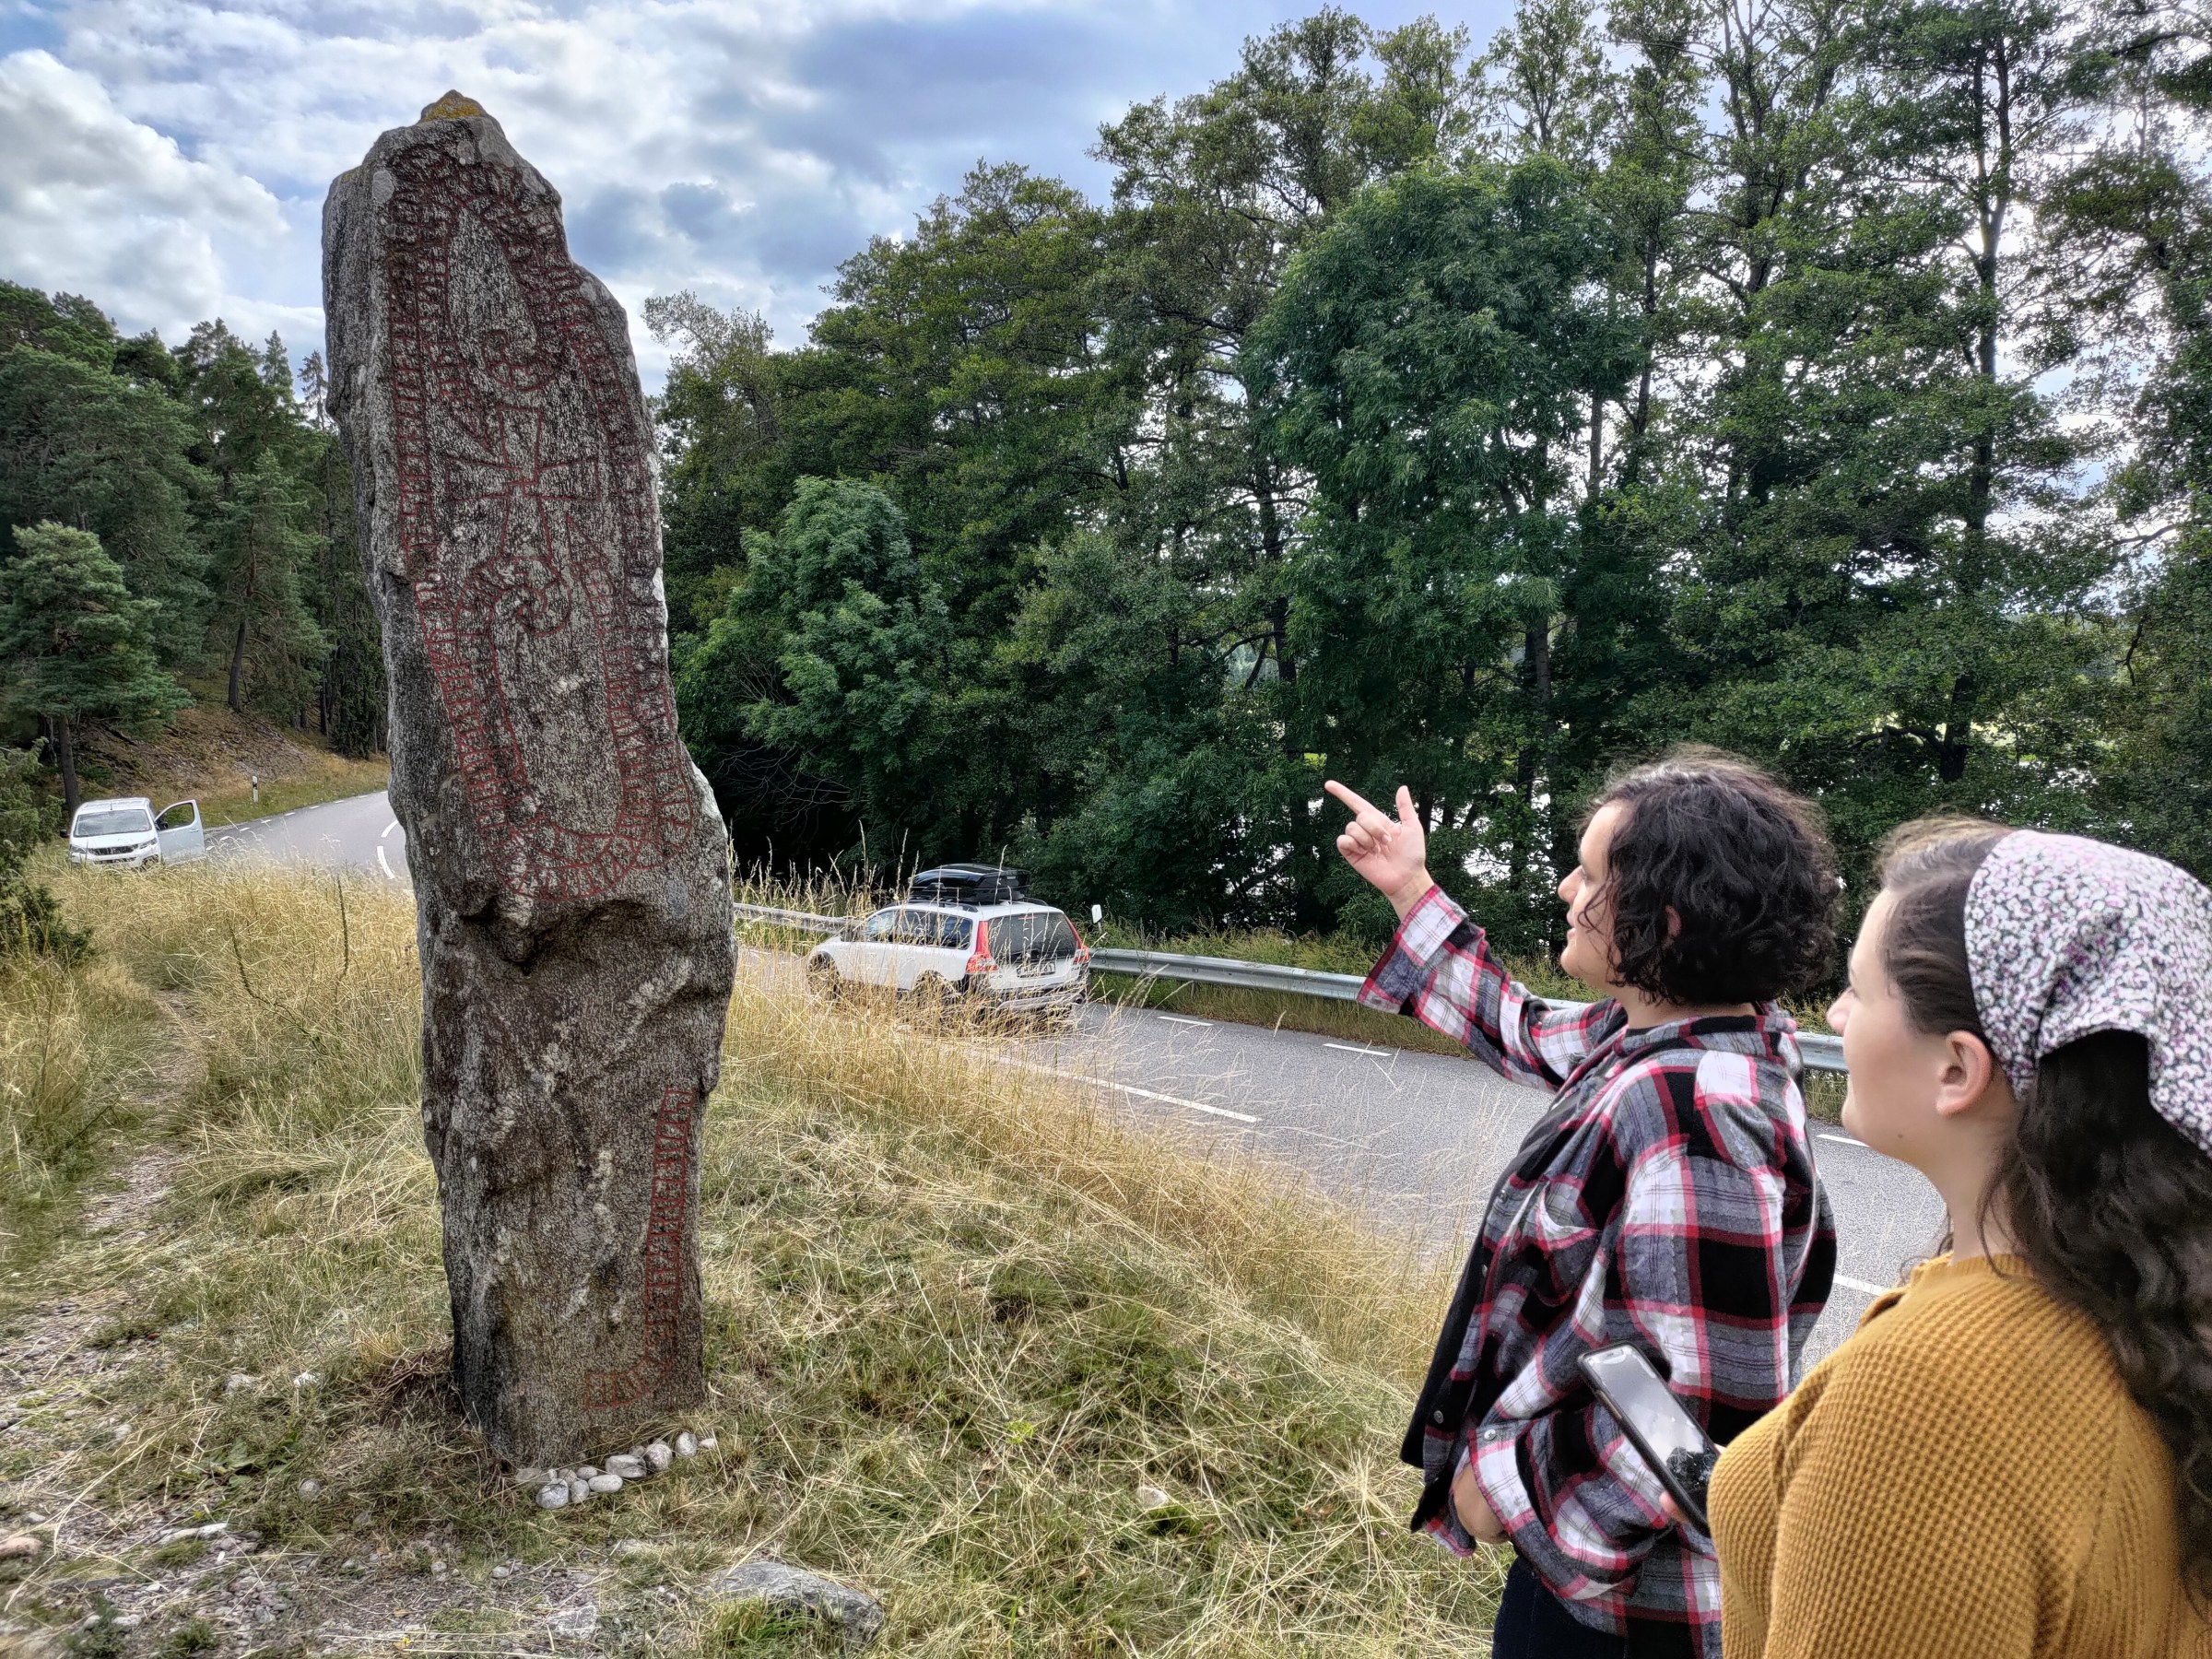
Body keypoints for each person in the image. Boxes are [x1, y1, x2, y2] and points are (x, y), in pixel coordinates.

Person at [1326, 751, 1840, 1659]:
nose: (1568, 889)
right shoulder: (1662, 1040)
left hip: (1624, 1619)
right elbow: (1522, 1028)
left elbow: (1705, 1419)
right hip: (1600, 1585)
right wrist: (1411, 891)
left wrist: (1508, 1483)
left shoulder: (1697, 1111)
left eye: (1593, 875)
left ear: (1665, 920)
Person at [1703, 821, 2212, 1657]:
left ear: (1958, 1070)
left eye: (1858, 992)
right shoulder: (2157, 1300)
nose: (1833, 1014)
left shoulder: (1929, 1395)